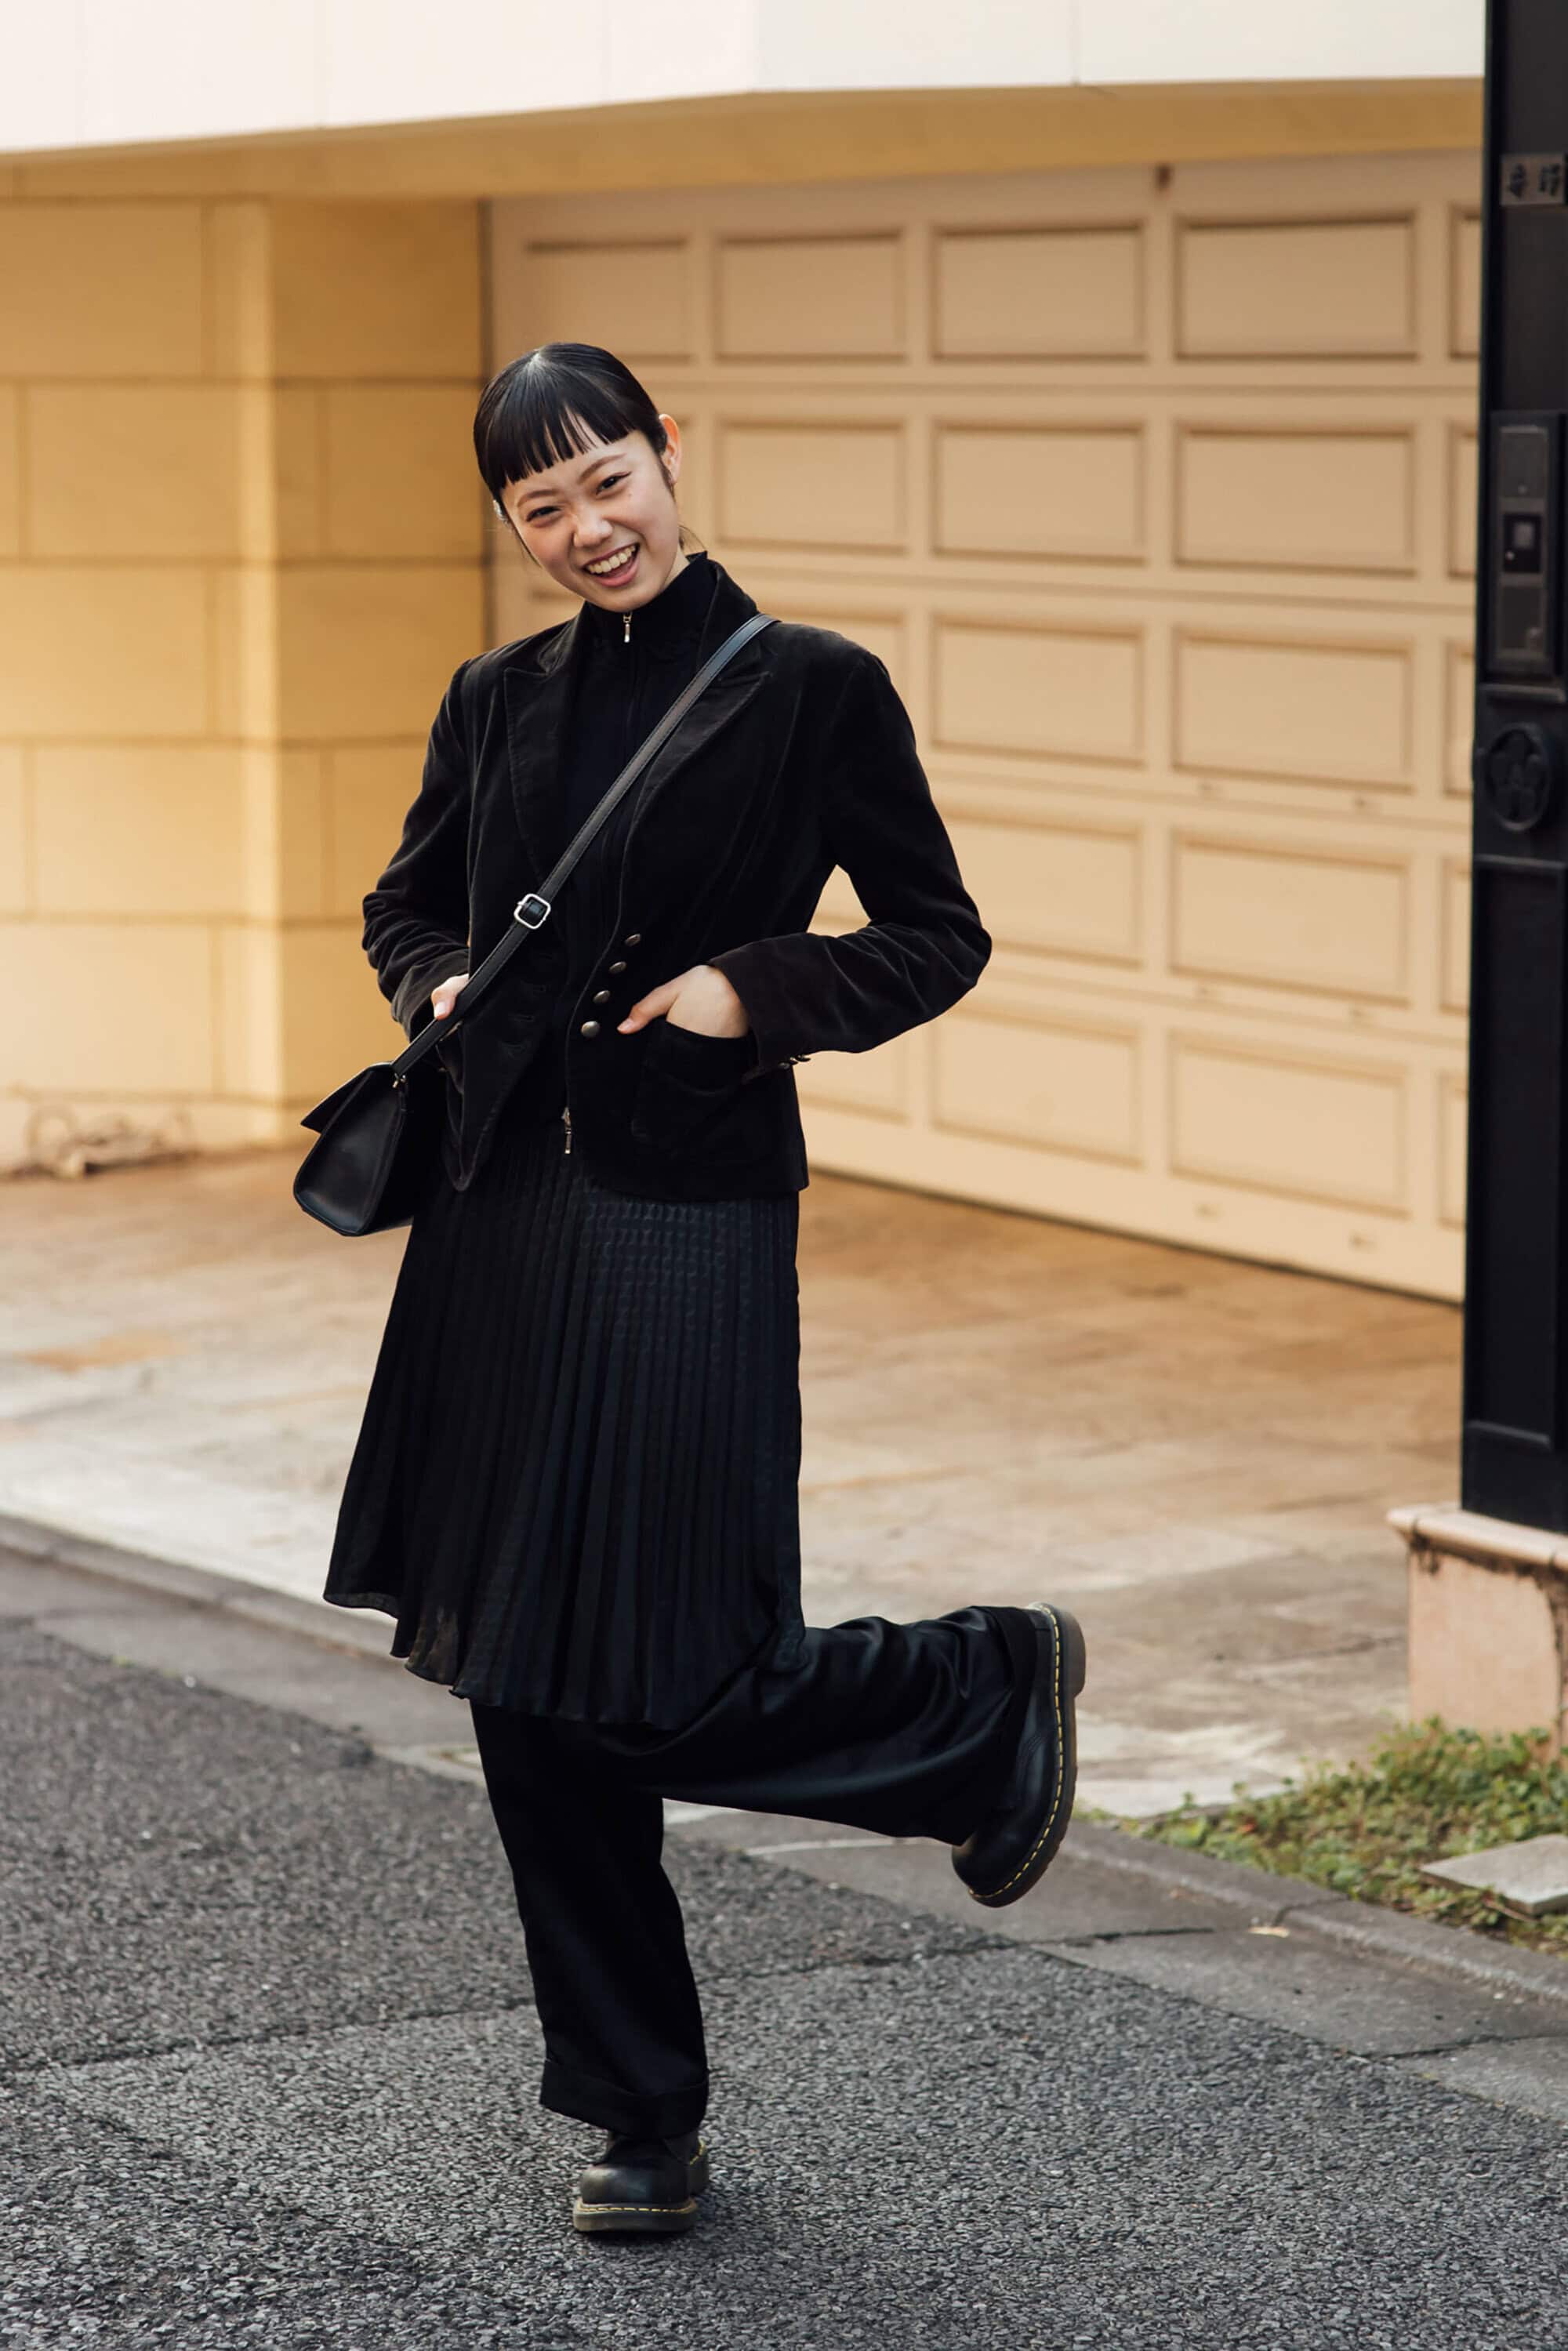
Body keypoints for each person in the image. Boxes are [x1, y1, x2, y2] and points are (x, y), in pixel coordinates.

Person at [323, 341, 1087, 2239]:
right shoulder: (494, 698)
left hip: (690, 1217)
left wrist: (757, 989)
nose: (589, 528)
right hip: (502, 1219)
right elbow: (405, 899)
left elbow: (936, 934)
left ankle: (973, 1688)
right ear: (514, 527)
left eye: (608, 479)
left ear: (668, 455)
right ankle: (636, 2109)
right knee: (521, 1674)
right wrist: (435, 980)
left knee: (667, 1661)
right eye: (543, 507)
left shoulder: (811, 686)